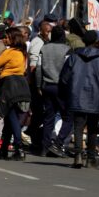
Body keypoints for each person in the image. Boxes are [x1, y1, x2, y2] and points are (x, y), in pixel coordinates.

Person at [59, 30, 99, 169]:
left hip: (77, 95)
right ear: (97, 42)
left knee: (78, 126)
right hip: (96, 97)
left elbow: (64, 78)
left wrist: (65, 95)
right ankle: (90, 158)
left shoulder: (74, 56)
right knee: (92, 128)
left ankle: (78, 155)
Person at [0, 27, 31, 161]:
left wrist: (2, 69)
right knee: (9, 119)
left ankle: (19, 148)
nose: (4, 39)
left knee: (11, 117)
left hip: (9, 86)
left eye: (7, 37)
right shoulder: (23, 52)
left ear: (13, 38)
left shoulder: (9, 52)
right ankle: (3, 149)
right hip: (22, 85)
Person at [37, 25, 72, 158]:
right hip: (62, 87)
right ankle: (58, 144)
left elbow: (39, 68)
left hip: (47, 86)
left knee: (48, 118)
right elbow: (69, 70)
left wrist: (38, 85)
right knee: (67, 117)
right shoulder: (67, 50)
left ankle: (44, 148)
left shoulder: (44, 48)